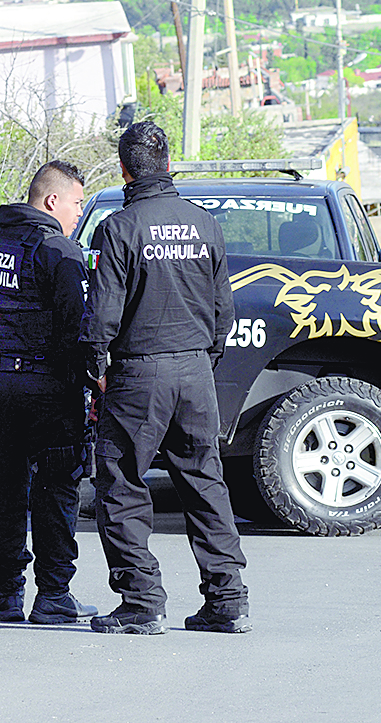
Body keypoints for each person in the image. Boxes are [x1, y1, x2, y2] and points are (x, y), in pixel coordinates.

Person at [80, 121, 250, 635]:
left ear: (124, 170)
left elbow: (102, 315)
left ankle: (141, 601)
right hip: (195, 371)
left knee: (121, 484)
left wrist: (96, 368)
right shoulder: (205, 225)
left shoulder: (119, 228)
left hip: (139, 373)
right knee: (205, 483)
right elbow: (223, 312)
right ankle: (228, 600)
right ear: (169, 164)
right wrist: (202, 361)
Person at [0, 160, 98, 625]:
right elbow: (77, 326)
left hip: (2, 386)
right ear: (52, 200)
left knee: (7, 491)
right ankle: (54, 595)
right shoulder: (57, 250)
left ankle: (6, 594)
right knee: (57, 491)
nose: (78, 213)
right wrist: (92, 379)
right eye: (76, 203)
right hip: (50, 389)